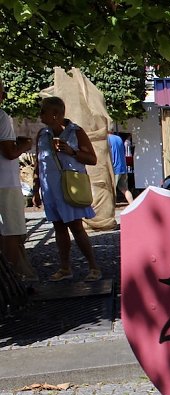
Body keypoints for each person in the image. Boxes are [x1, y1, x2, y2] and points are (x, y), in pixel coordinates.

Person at [34, 96, 101, 282]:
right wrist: (36, 188)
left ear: (55, 114)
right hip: (50, 188)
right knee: (59, 227)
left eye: (43, 111)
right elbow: (39, 163)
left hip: (70, 187)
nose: (40, 115)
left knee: (76, 227)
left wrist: (72, 152)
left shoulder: (76, 132)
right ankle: (65, 268)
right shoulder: (42, 134)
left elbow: (92, 159)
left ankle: (93, 267)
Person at [0, 78, 37, 281]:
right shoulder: (2, 116)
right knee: (11, 232)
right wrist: (24, 146)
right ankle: (14, 279)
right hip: (5, 183)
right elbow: (9, 153)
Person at [108, 130, 131, 205]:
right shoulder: (119, 138)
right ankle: (132, 204)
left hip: (114, 168)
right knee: (125, 189)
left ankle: (112, 206)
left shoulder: (107, 139)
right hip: (122, 167)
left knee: (111, 190)